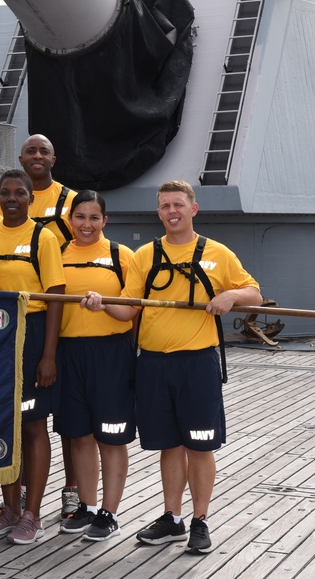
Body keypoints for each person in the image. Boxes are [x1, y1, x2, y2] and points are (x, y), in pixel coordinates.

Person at [104, 180, 262, 554]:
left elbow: (254, 292)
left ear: (194, 208)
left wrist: (231, 295)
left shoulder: (217, 253)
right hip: (154, 365)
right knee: (169, 445)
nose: (171, 212)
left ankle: (200, 520)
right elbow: (128, 308)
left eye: (178, 204)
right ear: (158, 212)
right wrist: (101, 303)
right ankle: (172, 518)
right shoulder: (145, 256)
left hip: (198, 364)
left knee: (200, 446)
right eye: (164, 206)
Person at [0, 169, 65, 545]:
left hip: (33, 338)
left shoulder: (43, 237)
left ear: (31, 198)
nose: (11, 198)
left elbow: (56, 297)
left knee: (33, 425)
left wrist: (48, 356)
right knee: (3, 427)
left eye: (19, 193)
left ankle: (33, 514)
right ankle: (10, 509)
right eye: (5, 193)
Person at [56, 191, 135, 542]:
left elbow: (131, 312)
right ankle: (86, 506)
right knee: (80, 435)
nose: (86, 225)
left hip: (110, 353)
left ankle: (109, 511)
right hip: (68, 352)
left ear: (105, 221)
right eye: (80, 217)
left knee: (111, 437)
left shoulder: (122, 255)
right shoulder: (56, 254)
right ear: (70, 220)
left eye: (93, 218)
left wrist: (104, 306)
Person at [19, 132, 80, 518]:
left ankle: (71, 489)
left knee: (70, 419)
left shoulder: (70, 201)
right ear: (21, 159)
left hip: (69, 319)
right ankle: (25, 492)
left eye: (44, 150)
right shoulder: (4, 206)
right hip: (31, 324)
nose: (37, 155)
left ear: (53, 159)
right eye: (31, 150)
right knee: (29, 417)